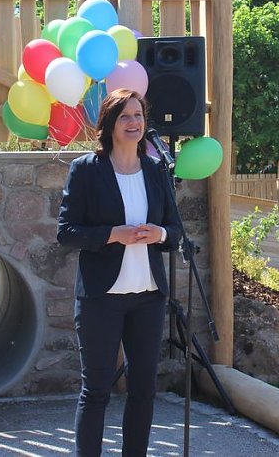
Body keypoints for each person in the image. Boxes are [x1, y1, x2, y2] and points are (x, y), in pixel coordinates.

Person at [57, 88, 182, 457]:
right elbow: (66, 233)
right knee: (96, 391)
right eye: (125, 116)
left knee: (143, 390)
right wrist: (114, 234)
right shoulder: (85, 171)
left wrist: (157, 233)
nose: (134, 123)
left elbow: (174, 230)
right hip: (101, 300)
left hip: (148, 297)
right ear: (110, 123)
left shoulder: (157, 170)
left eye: (139, 116)